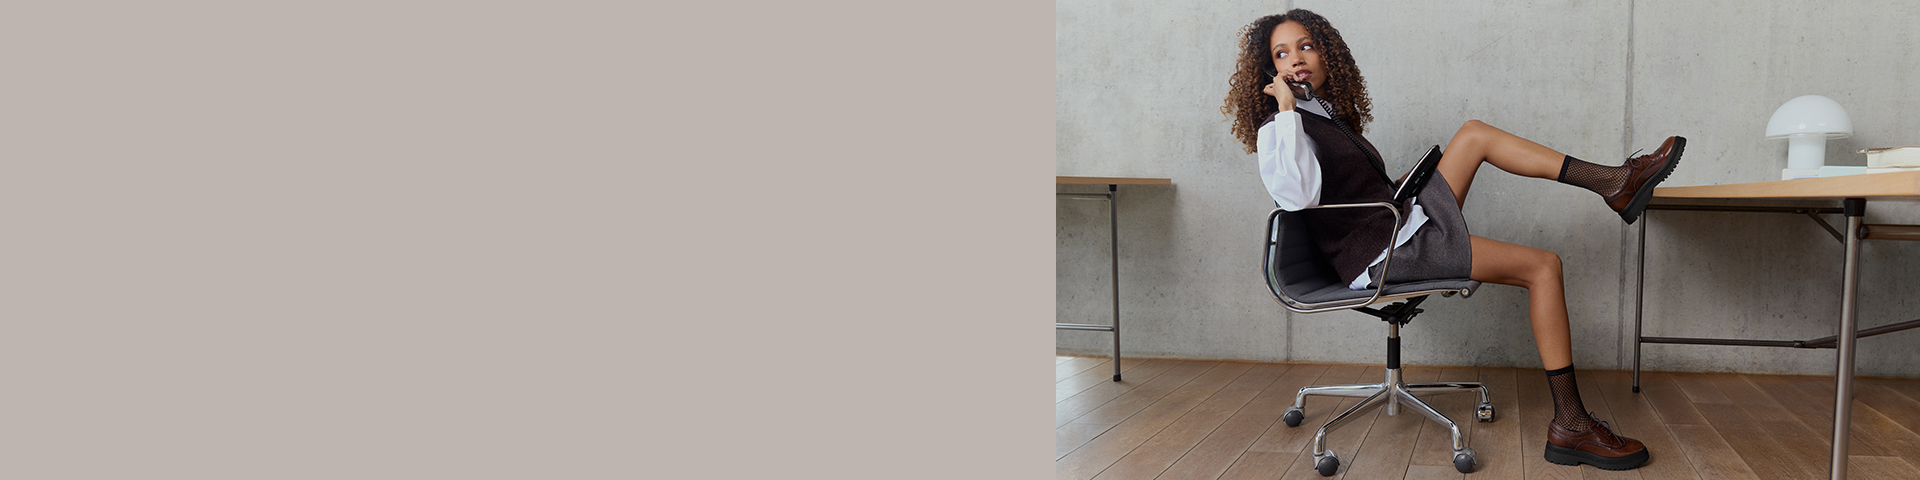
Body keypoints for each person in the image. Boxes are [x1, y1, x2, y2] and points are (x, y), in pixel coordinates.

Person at [1222, 9, 1681, 471]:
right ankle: (1572, 425)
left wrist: (1406, 186)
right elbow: (1298, 196)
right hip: (1382, 255)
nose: (1296, 60)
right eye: (1281, 54)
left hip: (1392, 226)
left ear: (1326, 53)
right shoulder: (1279, 128)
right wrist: (1284, 108)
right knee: (1543, 266)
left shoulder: (1326, 114)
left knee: (1474, 134)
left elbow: (1353, 194)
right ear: (1268, 72)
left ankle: (1613, 182)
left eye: (1305, 46)